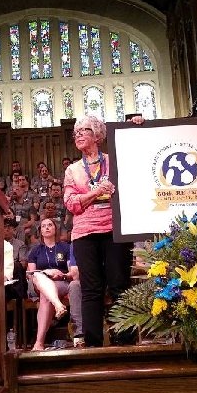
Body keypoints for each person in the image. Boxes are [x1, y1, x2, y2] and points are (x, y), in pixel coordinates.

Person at [64, 114, 144, 347]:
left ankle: (125, 341)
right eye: (76, 132)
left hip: (115, 229)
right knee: (91, 289)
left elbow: (140, 160)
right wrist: (96, 193)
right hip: (84, 233)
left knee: (119, 285)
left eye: (84, 130)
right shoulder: (72, 170)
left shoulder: (115, 160)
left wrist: (138, 127)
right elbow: (71, 203)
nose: (78, 134)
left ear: (98, 135)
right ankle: (93, 344)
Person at [27, 218, 78, 351]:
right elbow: (31, 273)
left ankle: (39, 343)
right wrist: (46, 272)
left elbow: (71, 272)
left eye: (50, 225)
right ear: (40, 231)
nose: (47, 227)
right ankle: (57, 304)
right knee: (39, 277)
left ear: (55, 229)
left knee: (45, 297)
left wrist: (61, 274)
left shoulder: (65, 247)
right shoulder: (35, 250)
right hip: (41, 283)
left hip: (62, 283)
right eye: (43, 226)